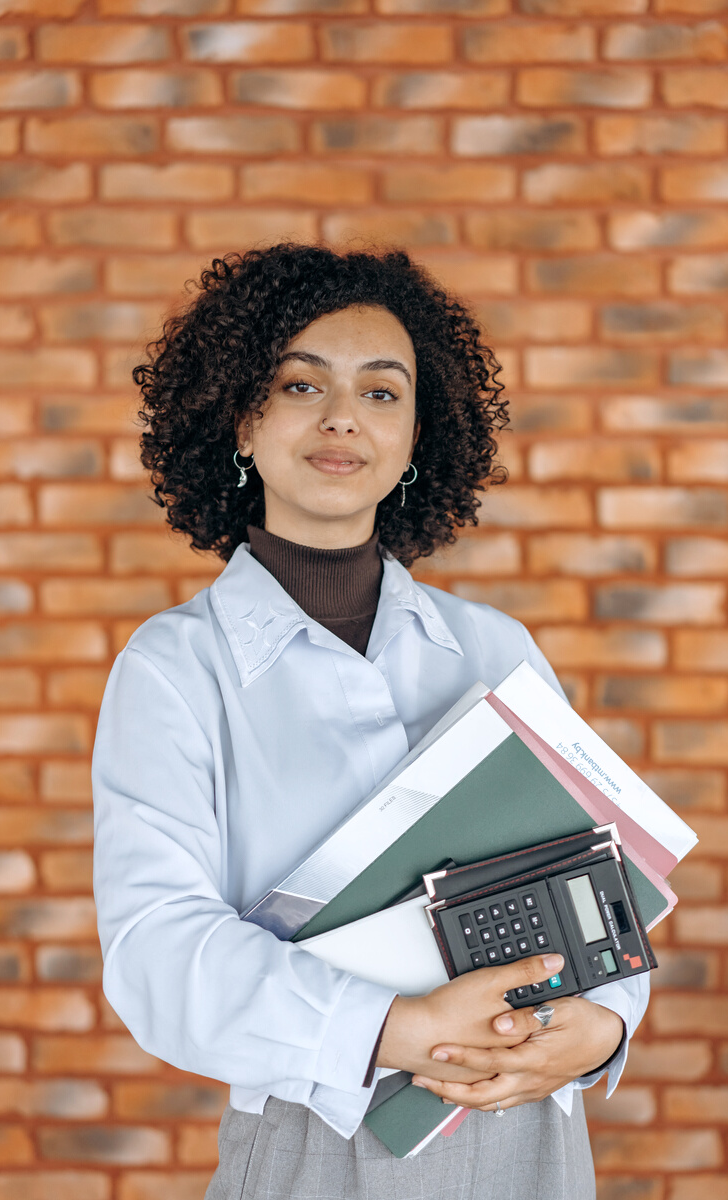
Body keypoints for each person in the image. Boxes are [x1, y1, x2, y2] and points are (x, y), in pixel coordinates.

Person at [91, 243, 649, 1200]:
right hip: (324, 1137)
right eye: (301, 384)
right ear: (241, 416)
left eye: (382, 392)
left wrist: (605, 1030)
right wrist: (400, 1029)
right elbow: (159, 952)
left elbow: (605, 886)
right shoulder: (175, 668)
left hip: (531, 1132)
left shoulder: (494, 648)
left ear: (419, 433)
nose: (344, 416)